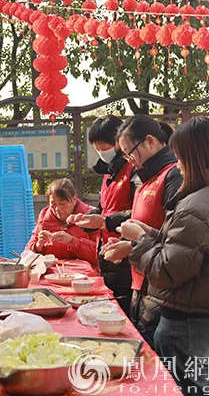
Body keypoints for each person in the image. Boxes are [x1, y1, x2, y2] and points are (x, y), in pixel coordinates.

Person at [120, 117, 209, 396]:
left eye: (180, 157)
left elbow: (168, 271)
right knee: (208, 382)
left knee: (188, 388)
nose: (177, 165)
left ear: (194, 157)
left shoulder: (196, 205)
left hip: (186, 319)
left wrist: (139, 241)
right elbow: (192, 248)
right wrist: (151, 234)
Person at [79, 115, 182, 348]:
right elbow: (138, 219)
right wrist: (105, 224)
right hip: (142, 276)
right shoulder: (146, 175)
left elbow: (174, 238)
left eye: (130, 153)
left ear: (150, 141)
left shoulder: (171, 175)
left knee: (168, 359)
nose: (130, 160)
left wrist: (127, 241)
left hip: (158, 282)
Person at [77, 115, 137, 315]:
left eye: (104, 147)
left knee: (124, 310)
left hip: (125, 252)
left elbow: (140, 212)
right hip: (106, 252)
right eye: (97, 148)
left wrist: (106, 221)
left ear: (119, 141)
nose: (101, 152)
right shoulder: (109, 172)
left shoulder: (132, 170)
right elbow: (103, 207)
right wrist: (85, 219)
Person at [25, 179, 98, 266]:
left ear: (74, 199)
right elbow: (26, 255)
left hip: (85, 272)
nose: (57, 209)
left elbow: (101, 254)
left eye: (62, 203)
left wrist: (72, 241)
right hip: (52, 270)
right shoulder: (45, 216)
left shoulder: (91, 216)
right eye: (53, 204)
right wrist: (38, 246)